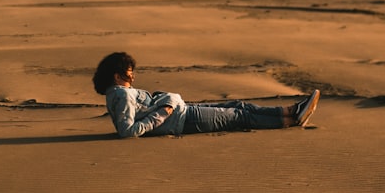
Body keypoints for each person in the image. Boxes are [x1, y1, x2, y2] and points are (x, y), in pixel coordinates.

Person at [92, 52, 320, 138]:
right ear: (117, 75)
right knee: (238, 117)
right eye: (129, 72)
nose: (133, 77)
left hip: (183, 112)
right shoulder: (121, 96)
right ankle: (291, 120)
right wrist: (163, 113)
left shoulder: (121, 93)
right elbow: (127, 131)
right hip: (183, 120)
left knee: (239, 106)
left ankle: (290, 111)